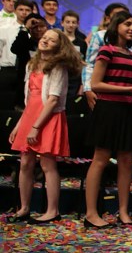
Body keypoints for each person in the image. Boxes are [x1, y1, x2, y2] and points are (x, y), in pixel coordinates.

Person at [82, 10, 132, 229]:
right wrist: (131, 88)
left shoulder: (130, 54)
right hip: (108, 109)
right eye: (127, 24)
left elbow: (126, 84)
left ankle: (123, 212)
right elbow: (96, 84)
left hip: (127, 109)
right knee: (100, 159)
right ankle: (91, 213)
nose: (131, 28)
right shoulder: (106, 50)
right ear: (116, 26)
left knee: (126, 161)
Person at [8, 29, 83, 223]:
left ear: (59, 46)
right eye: (44, 38)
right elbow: (29, 100)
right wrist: (20, 125)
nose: (46, 41)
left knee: (47, 164)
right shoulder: (31, 64)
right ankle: (24, 208)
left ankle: (52, 210)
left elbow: (52, 99)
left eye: (51, 40)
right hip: (30, 116)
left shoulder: (58, 67)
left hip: (48, 117)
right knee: (25, 163)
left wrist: (36, 127)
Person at [83, 2, 132, 111]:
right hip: (107, 100)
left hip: (127, 101)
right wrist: (87, 89)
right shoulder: (104, 44)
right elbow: (90, 66)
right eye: (127, 23)